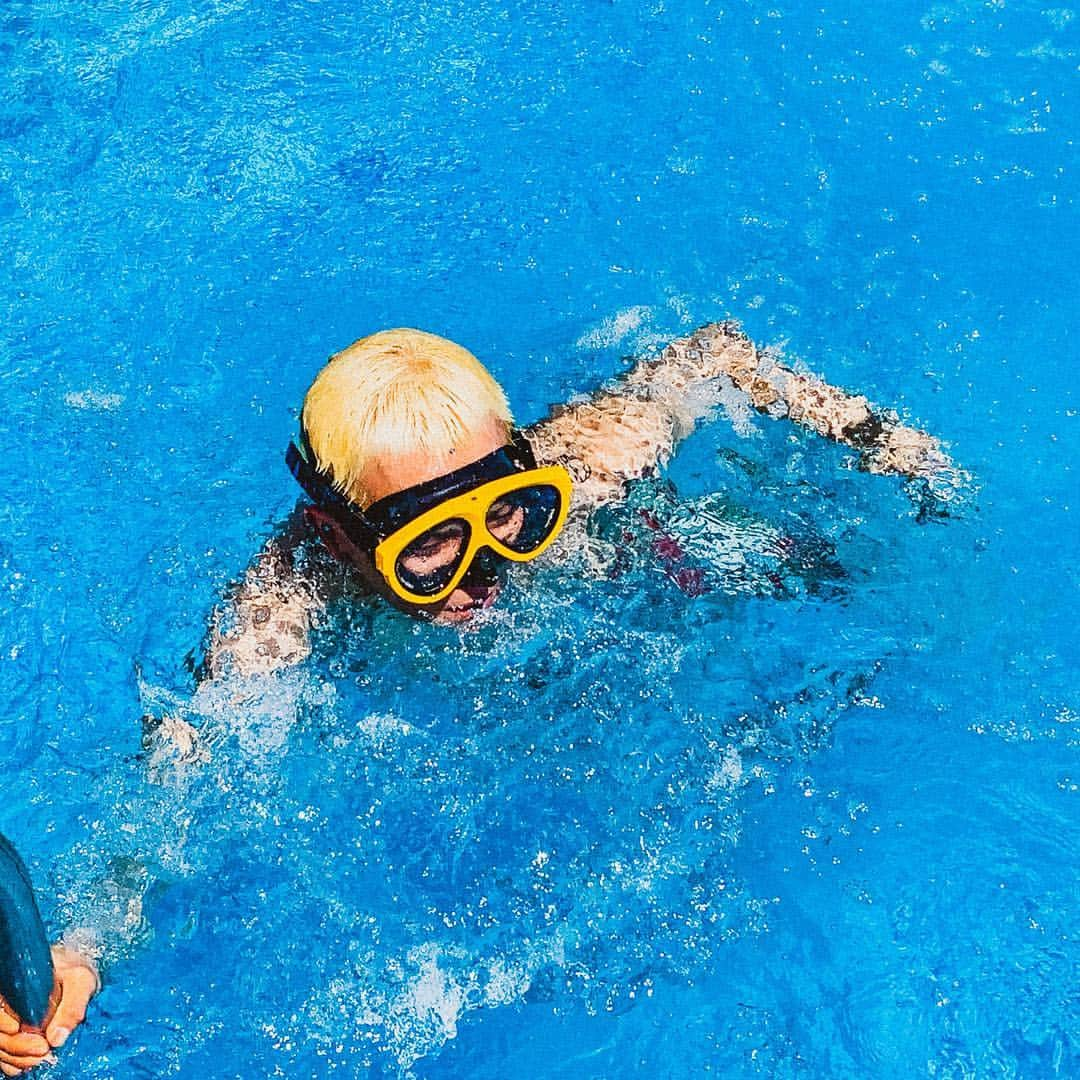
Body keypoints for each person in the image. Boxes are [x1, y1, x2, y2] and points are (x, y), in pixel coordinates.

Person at [2, 320, 960, 1074]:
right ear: (339, 539)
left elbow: (716, 354)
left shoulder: (590, 461)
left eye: (510, 515)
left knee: (792, 568)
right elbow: (175, 796)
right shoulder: (280, 611)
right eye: (427, 550)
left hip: (628, 570)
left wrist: (885, 441)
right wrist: (81, 947)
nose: (482, 573)